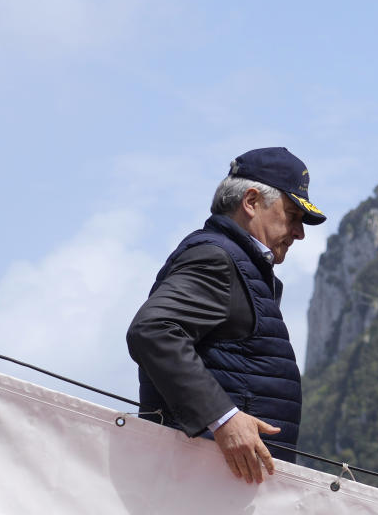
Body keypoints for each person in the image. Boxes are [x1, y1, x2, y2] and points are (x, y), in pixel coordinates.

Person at [126, 147, 326, 485]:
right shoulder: (218, 259)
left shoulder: (240, 265)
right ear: (251, 201)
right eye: (292, 215)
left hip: (220, 488)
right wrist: (223, 418)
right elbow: (153, 330)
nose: (299, 232)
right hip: (200, 489)